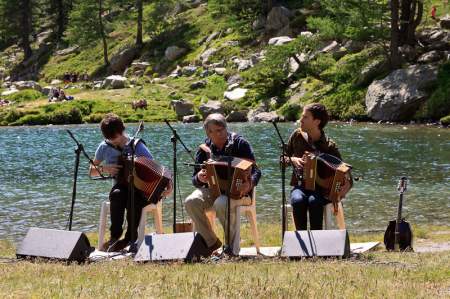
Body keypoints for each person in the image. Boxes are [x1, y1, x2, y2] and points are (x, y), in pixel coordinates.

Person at [89, 113, 172, 251]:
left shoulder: (136, 145)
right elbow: (91, 171)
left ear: (122, 131)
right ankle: (115, 237)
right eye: (109, 138)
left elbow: (157, 168)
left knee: (133, 198)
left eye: (115, 137)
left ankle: (130, 238)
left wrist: (168, 184)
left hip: (142, 191)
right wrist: (104, 168)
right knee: (116, 194)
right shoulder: (104, 147)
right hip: (121, 188)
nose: (112, 141)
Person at [185, 113, 262, 256]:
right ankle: (211, 242)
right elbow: (194, 179)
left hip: (240, 192)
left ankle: (231, 248)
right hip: (212, 191)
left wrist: (249, 185)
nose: (222, 133)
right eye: (217, 131)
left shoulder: (240, 144)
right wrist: (200, 178)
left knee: (221, 202)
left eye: (223, 129)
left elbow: (256, 170)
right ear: (208, 133)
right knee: (191, 201)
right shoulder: (204, 150)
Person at [284, 103, 346, 230]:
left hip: (321, 190)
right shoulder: (297, 136)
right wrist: (292, 160)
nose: (300, 120)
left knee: (314, 202)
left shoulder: (329, 146)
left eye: (305, 117)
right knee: (297, 201)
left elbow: (341, 171)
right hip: (300, 185)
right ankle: (302, 242)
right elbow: (282, 159)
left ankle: (317, 240)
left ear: (317, 121)